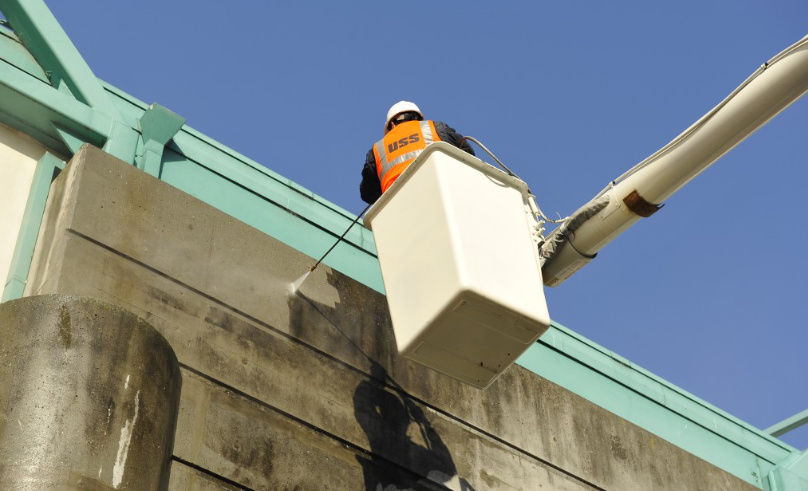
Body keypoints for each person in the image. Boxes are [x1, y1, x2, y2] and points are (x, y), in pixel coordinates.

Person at [360, 101, 475, 205]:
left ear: (392, 125)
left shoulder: (377, 149)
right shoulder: (435, 128)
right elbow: (467, 154)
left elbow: (368, 194)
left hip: (397, 206)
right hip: (439, 192)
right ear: (419, 119)